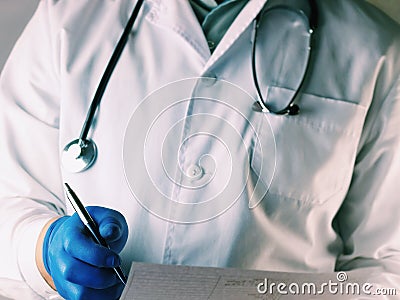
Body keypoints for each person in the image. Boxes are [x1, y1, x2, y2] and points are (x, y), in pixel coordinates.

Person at [1, 0, 400, 299]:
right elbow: (9, 203)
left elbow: (388, 265)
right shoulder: (69, 17)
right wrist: (44, 250)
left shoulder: (377, 53)